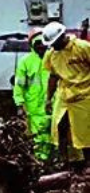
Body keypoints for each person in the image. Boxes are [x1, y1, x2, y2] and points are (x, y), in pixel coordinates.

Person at [43, 22, 90, 164]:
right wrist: (48, 99)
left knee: (85, 133)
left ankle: (88, 163)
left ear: (62, 37)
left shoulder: (82, 47)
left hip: (85, 95)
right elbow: (53, 76)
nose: (53, 46)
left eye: (55, 42)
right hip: (64, 95)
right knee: (59, 126)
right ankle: (64, 161)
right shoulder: (51, 54)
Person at [13, 29, 54, 161]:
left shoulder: (54, 58)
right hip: (33, 108)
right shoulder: (25, 62)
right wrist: (19, 104)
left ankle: (54, 160)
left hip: (53, 105)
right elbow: (19, 85)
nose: (41, 46)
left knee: (54, 135)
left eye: (43, 42)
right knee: (38, 137)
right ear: (32, 45)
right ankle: (40, 162)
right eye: (38, 43)